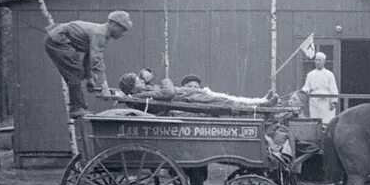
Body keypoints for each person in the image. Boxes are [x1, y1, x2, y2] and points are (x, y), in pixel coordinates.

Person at [44, 10, 132, 118]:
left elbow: (88, 55)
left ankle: (79, 107)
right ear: (113, 24)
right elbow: (96, 60)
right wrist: (104, 86)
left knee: (76, 71)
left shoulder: (101, 33)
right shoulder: (100, 34)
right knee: (75, 71)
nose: (122, 34)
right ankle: (76, 108)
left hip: (58, 38)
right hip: (57, 39)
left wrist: (89, 78)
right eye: (122, 29)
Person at [117, 72, 279, 107]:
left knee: (224, 98)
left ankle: (262, 101)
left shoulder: (142, 93)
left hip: (187, 95)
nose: (141, 80)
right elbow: (169, 93)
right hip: (187, 98)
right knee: (224, 101)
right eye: (137, 80)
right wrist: (166, 79)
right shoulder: (141, 94)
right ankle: (261, 104)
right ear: (133, 87)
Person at [301, 51, 338, 125]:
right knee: (315, 121)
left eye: (320, 60)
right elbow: (306, 87)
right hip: (314, 101)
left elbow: (333, 88)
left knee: (326, 121)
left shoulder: (329, 74)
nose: (318, 62)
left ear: (324, 62)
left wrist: (333, 102)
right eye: (316, 60)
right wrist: (306, 90)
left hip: (326, 101)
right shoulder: (310, 74)